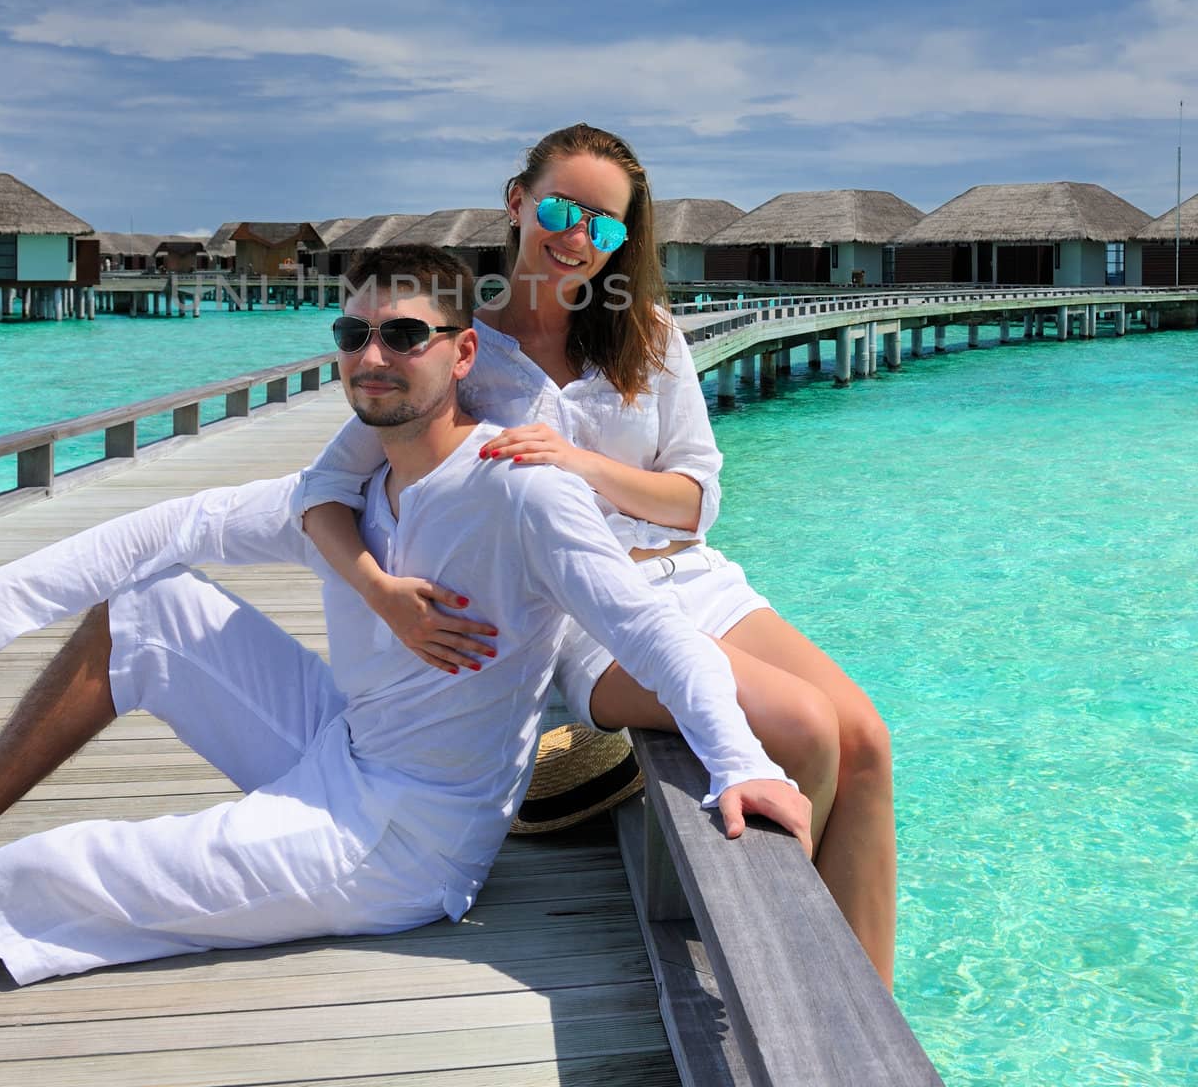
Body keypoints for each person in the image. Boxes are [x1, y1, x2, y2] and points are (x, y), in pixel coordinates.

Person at [0, 246, 808, 979]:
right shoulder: (352, 488)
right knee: (154, 605)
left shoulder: (520, 494)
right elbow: (160, 531)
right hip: (342, 747)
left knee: (45, 875)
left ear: (461, 347)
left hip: (404, 841)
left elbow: (649, 629)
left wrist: (743, 758)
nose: (373, 354)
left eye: (403, 334)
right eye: (354, 333)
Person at [298, 125, 897, 985]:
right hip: (581, 614)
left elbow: (696, 503)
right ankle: (793, 991)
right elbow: (319, 493)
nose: (577, 236)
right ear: (517, 203)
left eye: (605, 226)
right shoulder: (460, 349)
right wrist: (381, 592)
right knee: (804, 729)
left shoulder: (647, 335)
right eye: (560, 208)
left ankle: (865, 1026)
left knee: (867, 741)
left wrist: (583, 464)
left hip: (689, 575)